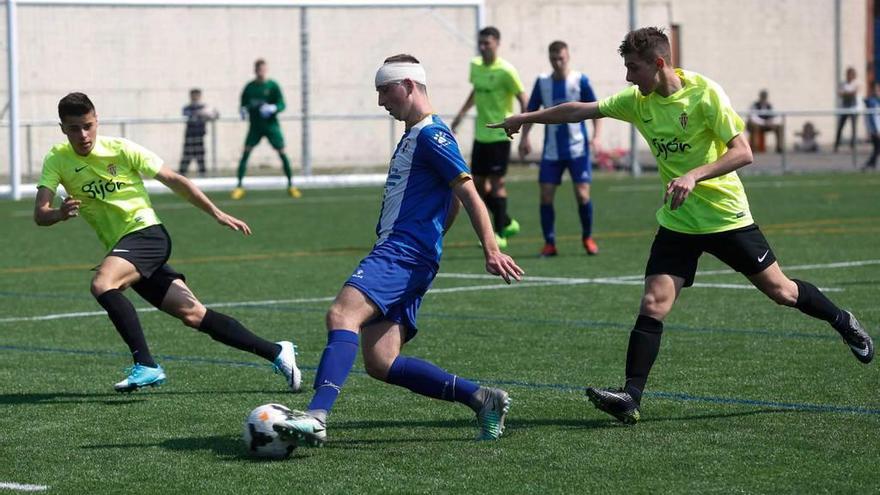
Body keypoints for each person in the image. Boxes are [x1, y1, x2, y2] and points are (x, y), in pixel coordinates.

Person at [489, 27, 874, 425]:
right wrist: (525, 118)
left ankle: (843, 321)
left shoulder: (705, 93)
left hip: (726, 217)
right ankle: (630, 396)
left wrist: (694, 175)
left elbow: (743, 153)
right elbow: (578, 110)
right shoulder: (638, 101)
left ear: (659, 63)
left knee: (782, 291)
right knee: (654, 303)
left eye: (632, 68)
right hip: (677, 221)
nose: (627, 77)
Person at [275, 55, 524, 447]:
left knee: (342, 313)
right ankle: (481, 398)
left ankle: (317, 415)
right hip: (412, 253)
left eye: (384, 90)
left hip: (402, 252)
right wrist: (435, 236)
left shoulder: (431, 135)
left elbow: (468, 193)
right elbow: (451, 198)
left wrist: (490, 248)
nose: (380, 102)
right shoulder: (415, 136)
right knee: (380, 361)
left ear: (408, 85)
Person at [34, 92, 303, 394]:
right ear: (62, 128)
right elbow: (40, 214)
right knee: (194, 315)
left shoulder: (120, 149)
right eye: (74, 128)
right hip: (124, 248)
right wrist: (59, 213)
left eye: (88, 125)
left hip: (147, 234)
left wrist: (215, 212)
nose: (83, 135)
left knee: (103, 284)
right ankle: (278, 352)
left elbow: (174, 179)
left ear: (97, 121)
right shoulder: (57, 159)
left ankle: (146, 364)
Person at [519, 40, 602, 257]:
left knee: (583, 195)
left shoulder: (580, 80)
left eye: (561, 58)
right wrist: (524, 138)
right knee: (546, 196)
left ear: (568, 57)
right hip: (552, 152)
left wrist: (597, 136)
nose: (557, 62)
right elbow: (530, 112)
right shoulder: (543, 82)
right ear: (549, 58)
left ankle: (587, 237)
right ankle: (550, 243)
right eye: (554, 58)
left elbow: (597, 109)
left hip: (578, 150)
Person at [451, 26, 528, 249]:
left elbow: (523, 97)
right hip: (481, 134)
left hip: (500, 134)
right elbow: (476, 91)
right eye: (481, 43)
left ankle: (500, 232)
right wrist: (461, 115)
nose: (483, 47)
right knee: (478, 185)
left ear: (497, 43)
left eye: (488, 43)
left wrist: (521, 123)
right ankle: (506, 221)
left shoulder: (506, 71)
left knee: (497, 183)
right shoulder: (475, 66)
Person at [233, 59, 300, 200]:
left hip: (271, 126)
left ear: (266, 70)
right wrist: (243, 110)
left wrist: (274, 108)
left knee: (282, 152)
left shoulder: (273, 86)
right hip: (255, 127)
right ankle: (239, 186)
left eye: (263, 69)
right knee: (245, 153)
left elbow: (282, 104)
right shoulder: (250, 87)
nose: (261, 72)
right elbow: (243, 103)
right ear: (255, 70)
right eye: (258, 69)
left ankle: (291, 185)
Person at [179, 88, 218, 177]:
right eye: (193, 95)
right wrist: (200, 113)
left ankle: (203, 175)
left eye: (197, 95)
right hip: (189, 136)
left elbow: (215, 114)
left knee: (200, 156)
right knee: (186, 157)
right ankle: (181, 176)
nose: (195, 97)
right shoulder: (187, 107)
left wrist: (210, 113)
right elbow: (186, 113)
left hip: (199, 135)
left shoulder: (204, 107)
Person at [833, 67, 859, 152]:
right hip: (845, 108)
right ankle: (836, 145)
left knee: (854, 128)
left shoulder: (856, 83)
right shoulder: (843, 84)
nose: (850, 76)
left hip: (853, 108)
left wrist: (846, 93)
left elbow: (854, 93)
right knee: (840, 127)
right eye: (849, 74)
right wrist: (847, 93)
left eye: (851, 74)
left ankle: (853, 146)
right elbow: (840, 93)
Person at [863, 81, 880, 170]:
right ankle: (869, 164)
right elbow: (872, 118)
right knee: (877, 148)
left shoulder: (876, 101)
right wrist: (875, 130)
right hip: (875, 130)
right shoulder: (872, 102)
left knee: (877, 149)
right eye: (876, 90)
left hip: (877, 129)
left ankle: (871, 164)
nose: (878, 91)